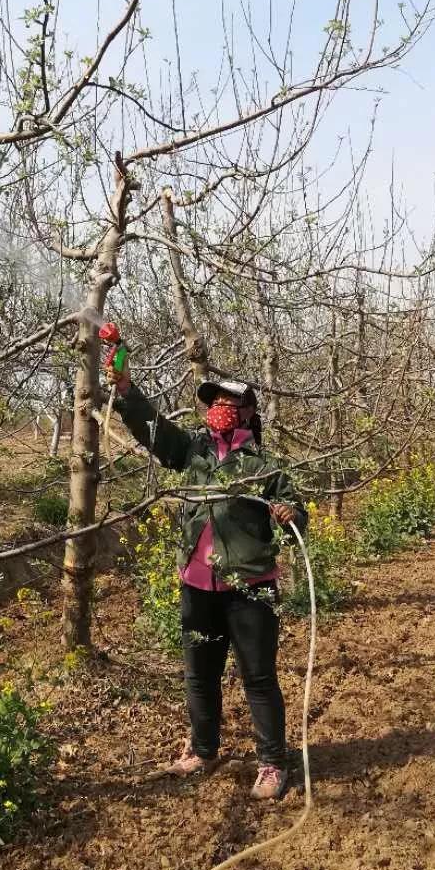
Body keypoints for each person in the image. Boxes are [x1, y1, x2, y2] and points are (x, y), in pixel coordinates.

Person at [107, 342, 307, 801]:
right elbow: (156, 432)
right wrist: (127, 391)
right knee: (200, 673)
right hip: (197, 584)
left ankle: (273, 763)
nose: (217, 408)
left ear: (247, 412)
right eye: (213, 401)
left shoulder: (264, 466)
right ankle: (203, 751)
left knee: (258, 677)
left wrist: (289, 514)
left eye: (227, 402)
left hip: (250, 588)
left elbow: (296, 509)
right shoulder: (194, 451)